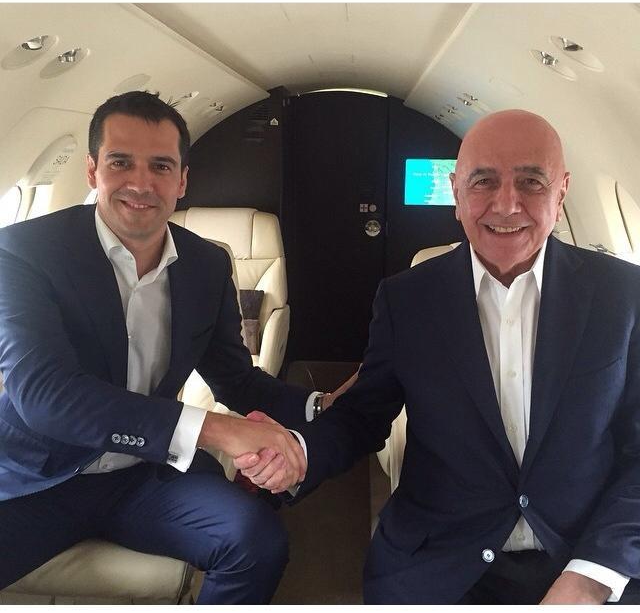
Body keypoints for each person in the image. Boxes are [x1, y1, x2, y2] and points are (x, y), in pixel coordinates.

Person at [236, 109, 640, 604]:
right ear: (456, 194)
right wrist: (301, 453)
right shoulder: (407, 299)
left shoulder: (623, 295)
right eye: (483, 181)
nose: (506, 204)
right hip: (440, 560)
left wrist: (591, 577)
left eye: (531, 182)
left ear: (562, 192)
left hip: (586, 556)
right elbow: (363, 415)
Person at [0, 91, 350, 603]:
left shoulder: (207, 265)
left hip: (144, 476)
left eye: (160, 166)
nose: (141, 183)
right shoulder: (23, 252)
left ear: (182, 180)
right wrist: (217, 430)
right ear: (93, 170)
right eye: (121, 162)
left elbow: (234, 378)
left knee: (257, 542)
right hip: (35, 477)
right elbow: (45, 395)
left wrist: (316, 407)